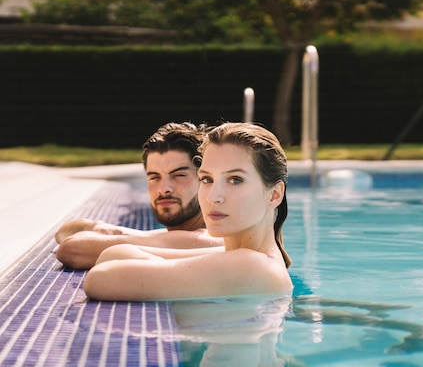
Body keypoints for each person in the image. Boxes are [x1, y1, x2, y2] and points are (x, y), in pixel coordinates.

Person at [83, 122, 293, 300]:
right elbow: (112, 254)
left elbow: (100, 278)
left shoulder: (253, 266)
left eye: (235, 180)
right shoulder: (241, 257)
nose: (213, 196)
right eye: (207, 179)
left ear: (274, 195)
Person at [55, 122, 223, 269]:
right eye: (154, 177)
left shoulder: (208, 237)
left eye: (179, 175)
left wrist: (115, 233)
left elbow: (72, 249)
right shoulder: (174, 234)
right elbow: (67, 230)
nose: (163, 189)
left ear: (206, 180)